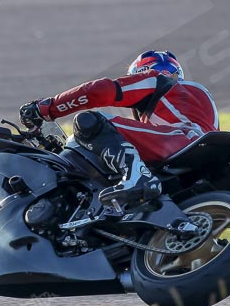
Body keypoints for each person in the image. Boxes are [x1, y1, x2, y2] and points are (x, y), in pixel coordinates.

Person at [20, 50, 219, 206]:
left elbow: (100, 91)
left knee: (91, 121)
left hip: (179, 141)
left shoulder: (157, 80)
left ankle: (137, 176)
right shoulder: (195, 101)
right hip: (202, 165)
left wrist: (46, 108)